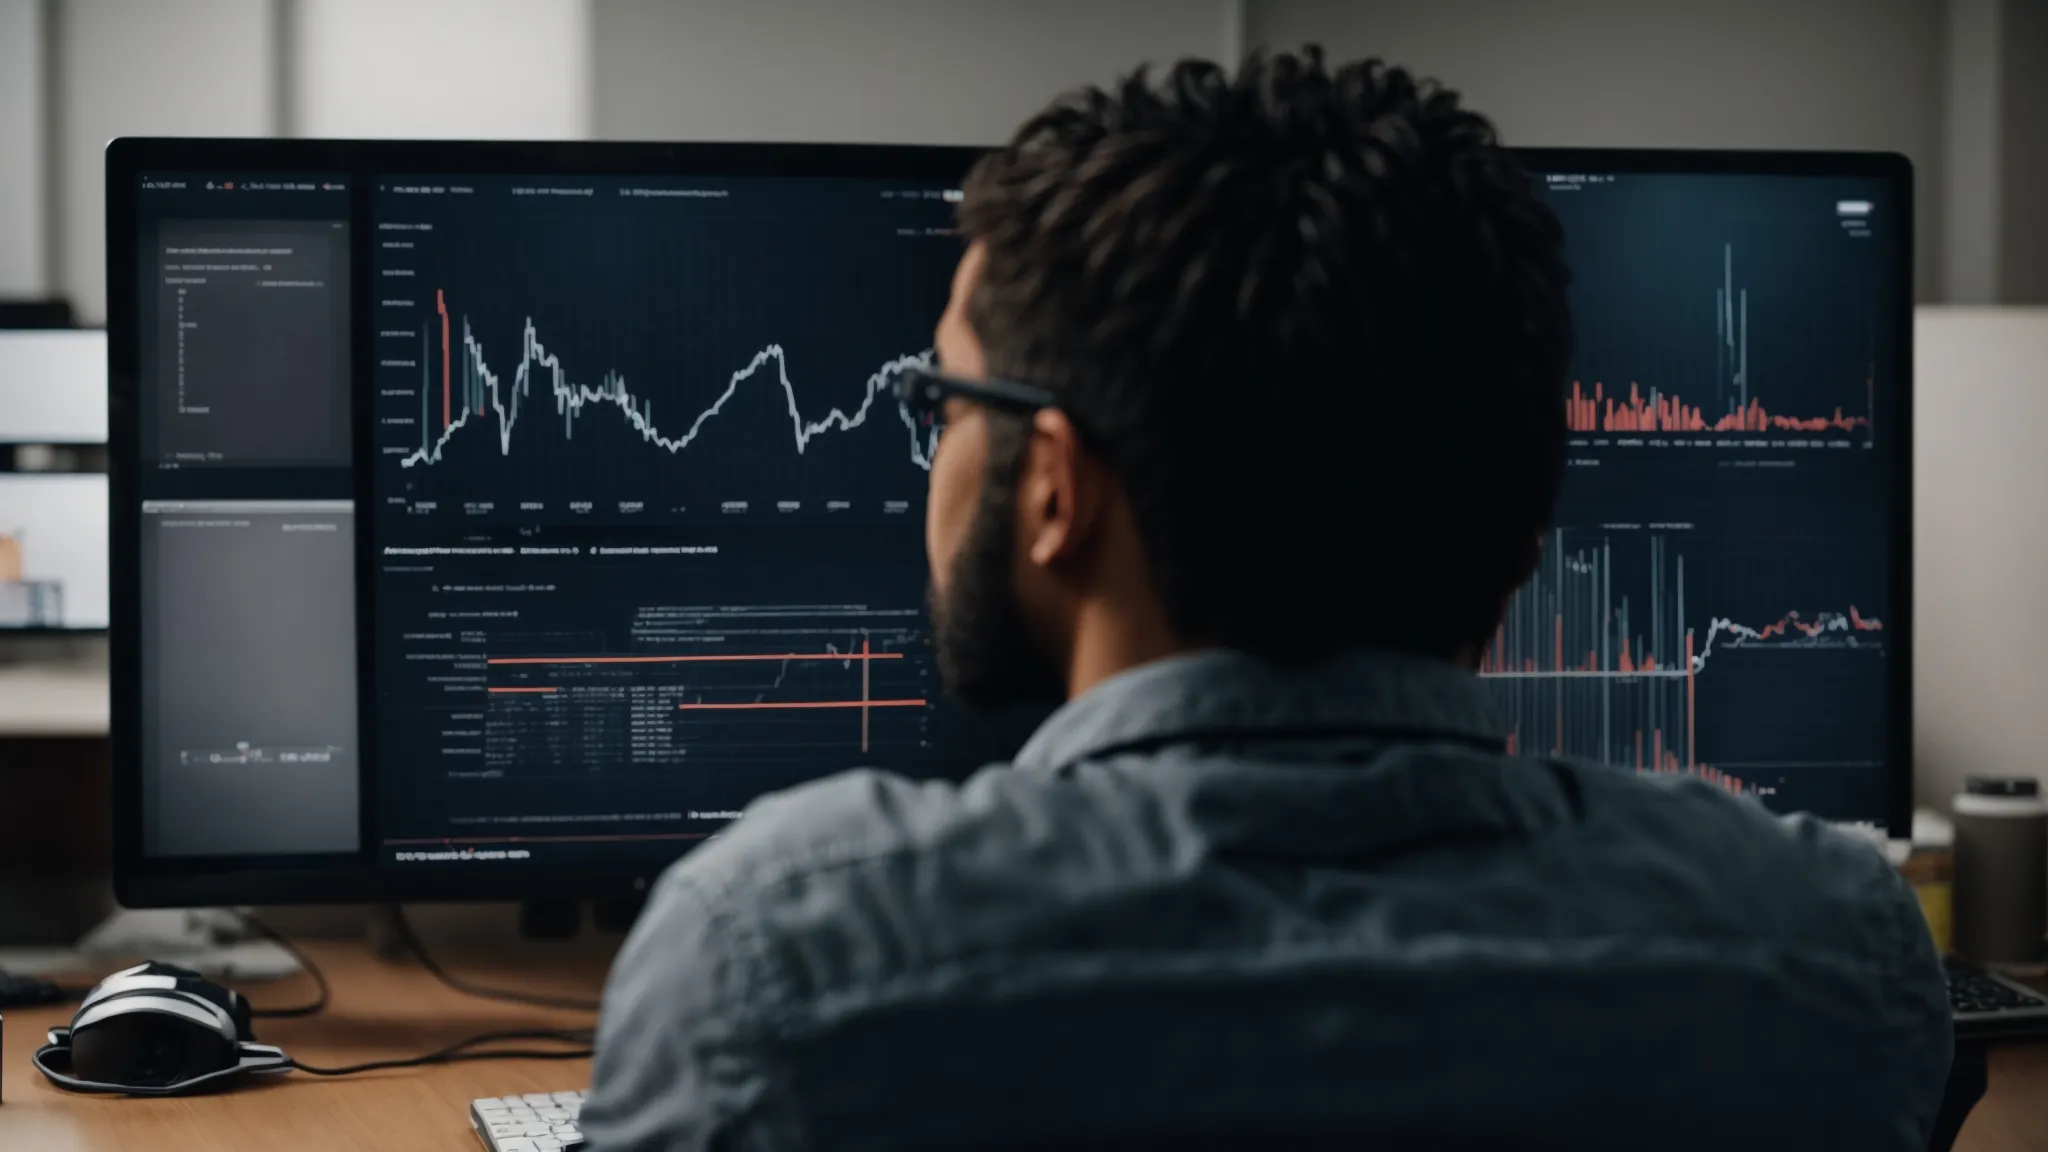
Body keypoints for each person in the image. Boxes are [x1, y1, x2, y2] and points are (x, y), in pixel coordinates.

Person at [580, 47, 1950, 1150]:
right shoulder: (1830, 955)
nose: (931, 447)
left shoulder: (772, 960)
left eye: (940, 400)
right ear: (1526, 531)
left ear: (1056, 486)